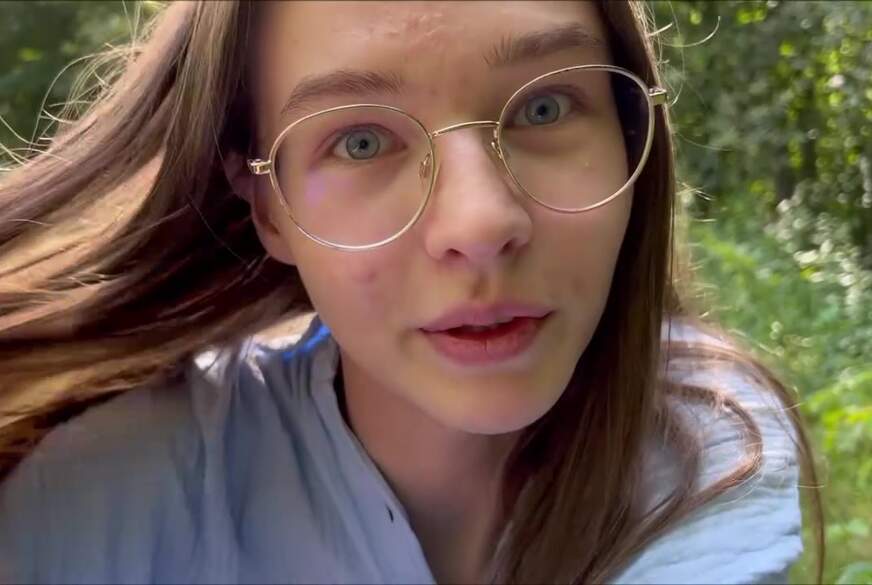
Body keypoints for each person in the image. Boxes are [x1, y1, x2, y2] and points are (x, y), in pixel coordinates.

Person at [0, 1, 823, 583]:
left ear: (630, 132)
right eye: (361, 141)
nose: (481, 222)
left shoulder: (706, 449)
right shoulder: (103, 497)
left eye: (544, 107)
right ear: (269, 209)